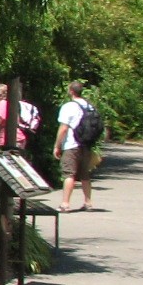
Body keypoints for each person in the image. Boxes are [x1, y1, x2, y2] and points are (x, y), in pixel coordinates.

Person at [53, 81, 95, 210]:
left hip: (71, 144)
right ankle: (88, 203)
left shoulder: (68, 106)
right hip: (86, 144)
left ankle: (65, 203)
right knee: (85, 175)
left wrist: (57, 145)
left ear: (71, 91)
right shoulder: (90, 106)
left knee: (69, 174)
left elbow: (64, 128)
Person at [0, 83, 41, 148]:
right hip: (19, 138)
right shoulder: (12, 104)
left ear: (4, 95)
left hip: (9, 140)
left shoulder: (3, 103)